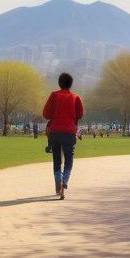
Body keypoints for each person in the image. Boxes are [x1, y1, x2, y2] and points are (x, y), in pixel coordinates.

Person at [42, 71, 84, 200]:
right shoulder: (76, 98)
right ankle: (64, 182)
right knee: (69, 159)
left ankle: (58, 180)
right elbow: (80, 114)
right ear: (70, 84)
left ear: (59, 83)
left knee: (56, 160)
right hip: (69, 133)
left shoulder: (54, 96)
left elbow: (46, 114)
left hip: (55, 132)